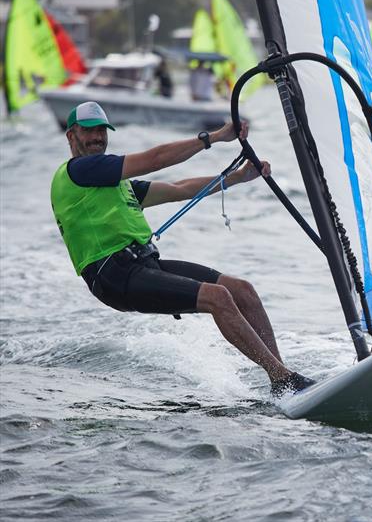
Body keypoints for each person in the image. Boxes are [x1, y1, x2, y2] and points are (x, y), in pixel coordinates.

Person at [50, 101, 315, 396]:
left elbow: (180, 188)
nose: (97, 137)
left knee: (242, 290)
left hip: (141, 266)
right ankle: (283, 379)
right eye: (89, 131)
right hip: (112, 276)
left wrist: (238, 177)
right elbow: (156, 158)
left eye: (101, 130)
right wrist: (213, 137)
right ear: (71, 136)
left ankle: (284, 381)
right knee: (218, 297)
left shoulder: (116, 185)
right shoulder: (79, 171)